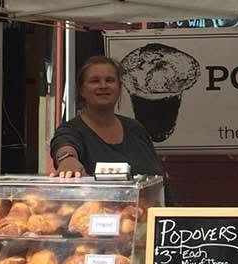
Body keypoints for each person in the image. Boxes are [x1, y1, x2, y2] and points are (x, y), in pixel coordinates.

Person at [50, 55, 169, 198]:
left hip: (146, 216)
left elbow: (159, 180)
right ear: (81, 90)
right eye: (95, 81)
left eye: (110, 80)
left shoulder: (135, 128)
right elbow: (63, 144)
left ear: (119, 88)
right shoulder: (72, 129)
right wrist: (67, 160)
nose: (103, 86)